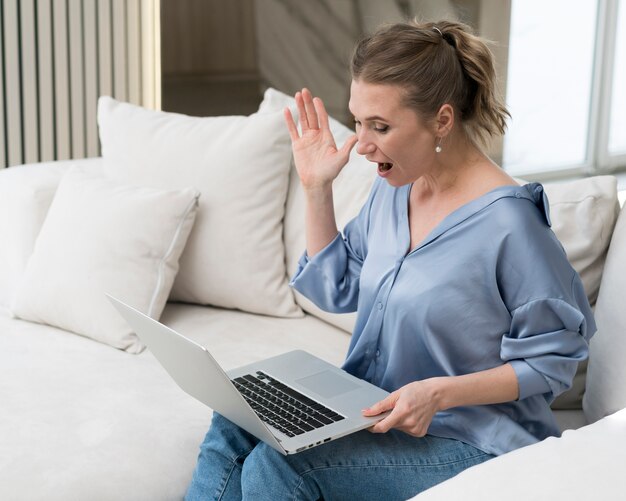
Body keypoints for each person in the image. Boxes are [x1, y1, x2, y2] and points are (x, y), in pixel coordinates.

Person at [185, 20, 595, 500]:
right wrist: (317, 189)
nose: (361, 143)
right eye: (358, 121)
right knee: (234, 417)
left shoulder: (513, 227)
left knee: (282, 469)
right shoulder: (393, 189)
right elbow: (333, 288)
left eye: (380, 126)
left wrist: (438, 392)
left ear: (442, 120)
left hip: (470, 437)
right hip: (376, 411)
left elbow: (553, 364)